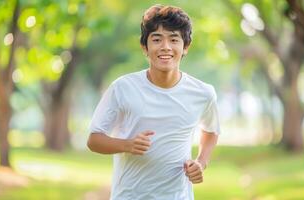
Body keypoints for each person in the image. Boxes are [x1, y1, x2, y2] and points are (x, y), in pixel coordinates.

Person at [87, 4, 220, 200]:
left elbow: (211, 131)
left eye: (174, 39)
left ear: (185, 47)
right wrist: (128, 145)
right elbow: (94, 140)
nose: (165, 47)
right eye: (157, 39)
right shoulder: (123, 88)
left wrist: (201, 162)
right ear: (144, 47)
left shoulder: (203, 93)